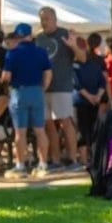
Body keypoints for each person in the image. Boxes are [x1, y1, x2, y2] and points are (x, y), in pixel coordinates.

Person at [2, 23, 55, 177]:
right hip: (37, 91)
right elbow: (48, 74)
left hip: (19, 92)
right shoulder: (41, 52)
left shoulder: (12, 53)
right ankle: (43, 164)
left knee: (20, 132)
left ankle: (20, 165)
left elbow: (6, 77)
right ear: (30, 35)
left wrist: (4, 83)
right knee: (40, 130)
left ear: (17, 37)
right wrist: (42, 88)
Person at [35, 9, 80, 170]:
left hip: (62, 86)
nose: (44, 22)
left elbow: (82, 58)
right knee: (48, 125)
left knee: (65, 122)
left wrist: (74, 46)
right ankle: (55, 160)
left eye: (47, 19)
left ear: (55, 19)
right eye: (41, 19)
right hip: (43, 88)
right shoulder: (38, 38)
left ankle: (73, 159)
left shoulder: (66, 34)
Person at [74, 33, 109, 143]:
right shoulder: (97, 62)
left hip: (84, 101)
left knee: (83, 130)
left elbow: (77, 84)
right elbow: (103, 82)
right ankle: (92, 154)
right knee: (92, 128)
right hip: (93, 101)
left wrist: (93, 97)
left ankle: (87, 157)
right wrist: (97, 96)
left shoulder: (76, 64)